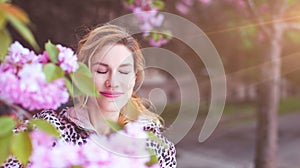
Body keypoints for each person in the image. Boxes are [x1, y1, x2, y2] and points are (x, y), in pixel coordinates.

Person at [2, 24, 176, 168]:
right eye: (101, 71)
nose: (112, 81)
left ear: (134, 79)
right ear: (83, 74)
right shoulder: (49, 131)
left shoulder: (154, 146)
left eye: (123, 72)